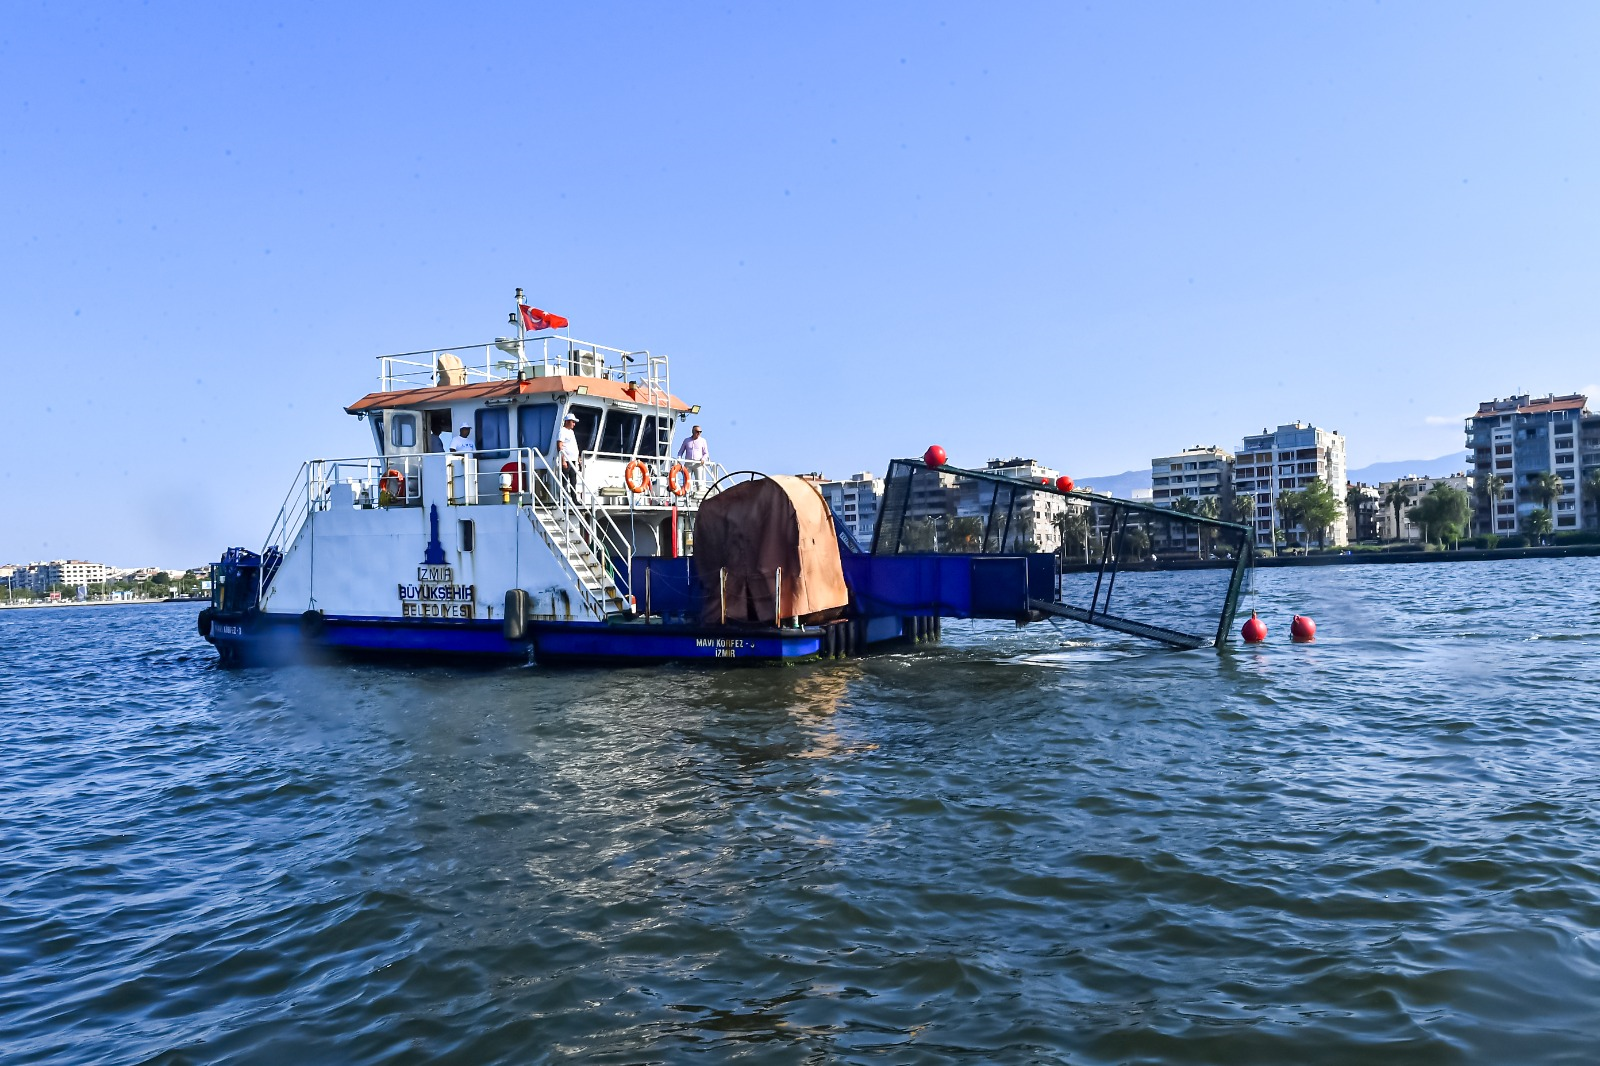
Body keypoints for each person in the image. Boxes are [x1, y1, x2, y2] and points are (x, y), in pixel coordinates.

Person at [556, 411, 582, 496]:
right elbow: (560, 446)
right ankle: (563, 499)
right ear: (567, 421)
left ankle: (574, 499)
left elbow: (574, 446)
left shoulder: (571, 432)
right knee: (565, 481)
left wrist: (578, 458)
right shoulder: (562, 431)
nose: (574, 424)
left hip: (573, 460)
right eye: (573, 422)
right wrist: (563, 460)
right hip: (566, 460)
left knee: (573, 481)